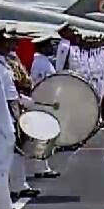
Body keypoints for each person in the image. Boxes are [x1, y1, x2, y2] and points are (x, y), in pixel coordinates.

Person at [0, 26, 37, 209]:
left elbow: (11, 95)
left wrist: (28, 102)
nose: (10, 44)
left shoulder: (2, 65)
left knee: (5, 164)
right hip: (2, 120)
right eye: (6, 41)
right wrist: (7, 127)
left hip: (10, 116)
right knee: (0, 165)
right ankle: (3, 207)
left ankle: (4, 205)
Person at [29, 34, 60, 179]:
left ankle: (43, 166)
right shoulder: (40, 63)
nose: (52, 48)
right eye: (49, 45)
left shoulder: (44, 61)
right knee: (42, 137)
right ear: (42, 47)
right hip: (43, 103)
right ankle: (40, 168)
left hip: (46, 103)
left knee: (45, 137)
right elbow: (41, 85)